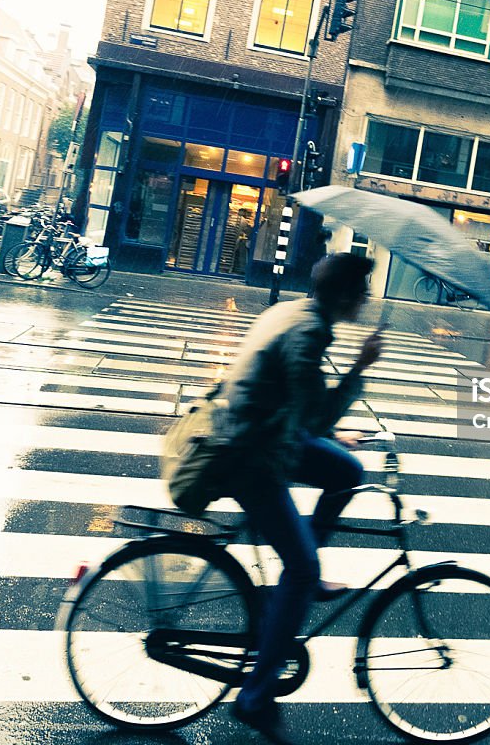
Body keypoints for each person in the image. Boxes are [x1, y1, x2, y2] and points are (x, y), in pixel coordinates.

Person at [174, 253, 382, 744]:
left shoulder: (295, 312)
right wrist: (360, 368)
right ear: (345, 295)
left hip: (263, 431)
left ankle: (299, 578)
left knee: (346, 470)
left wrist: (335, 435)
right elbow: (311, 417)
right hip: (249, 454)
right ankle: (254, 697)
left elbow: (301, 404)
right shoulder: (308, 332)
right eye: (364, 290)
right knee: (304, 566)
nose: (368, 299)